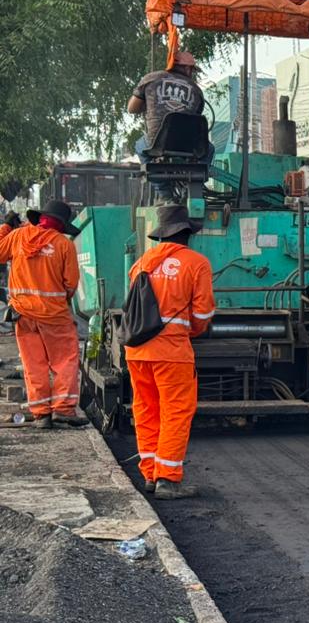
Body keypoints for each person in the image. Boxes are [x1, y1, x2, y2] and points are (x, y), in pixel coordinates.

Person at [126, 205, 216, 499]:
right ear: (187, 233)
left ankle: (150, 475)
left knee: (146, 411)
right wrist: (191, 331)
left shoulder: (141, 263)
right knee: (175, 412)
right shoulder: (197, 263)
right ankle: (167, 479)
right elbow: (202, 315)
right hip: (171, 352)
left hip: (137, 351)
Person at [0, 202, 87, 429]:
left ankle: (41, 414)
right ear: (61, 224)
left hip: (23, 313)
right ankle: (63, 409)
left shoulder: (18, 237)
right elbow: (71, 284)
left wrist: (6, 227)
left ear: (40, 218)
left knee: (33, 363)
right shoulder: (64, 245)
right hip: (55, 316)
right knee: (65, 360)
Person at [128, 50, 207, 159]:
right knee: (209, 150)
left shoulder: (150, 78)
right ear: (187, 68)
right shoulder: (197, 90)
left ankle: (150, 168)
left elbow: (132, 108)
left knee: (139, 146)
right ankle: (200, 169)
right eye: (192, 70)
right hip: (186, 145)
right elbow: (195, 118)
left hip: (156, 144)